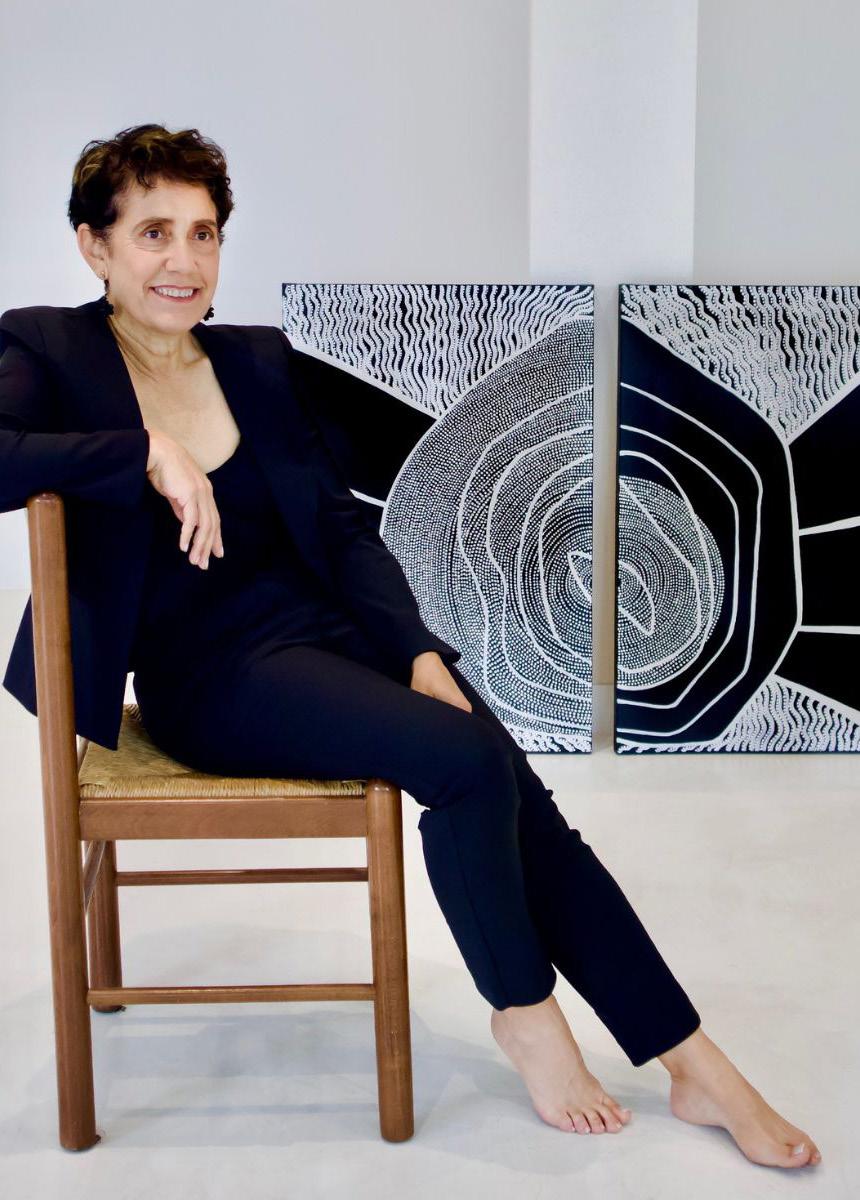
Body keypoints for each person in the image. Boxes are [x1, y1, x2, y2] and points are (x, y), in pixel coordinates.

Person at [0, 123, 820, 1169]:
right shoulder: (50, 349)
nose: (185, 260)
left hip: (329, 636)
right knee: (465, 764)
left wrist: (419, 651)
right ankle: (525, 1014)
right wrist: (145, 451)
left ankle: (691, 1058)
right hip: (211, 676)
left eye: (203, 234)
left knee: (517, 790)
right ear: (95, 246)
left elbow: (341, 530)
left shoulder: (255, 360)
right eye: (153, 232)